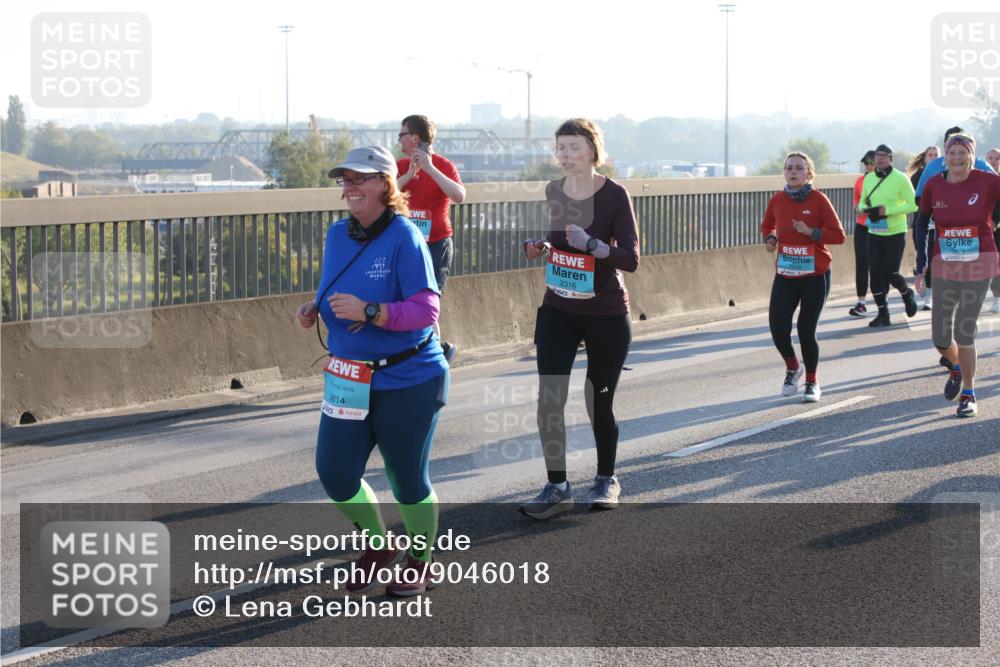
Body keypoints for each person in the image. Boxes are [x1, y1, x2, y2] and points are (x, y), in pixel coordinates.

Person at [295, 146, 449, 595]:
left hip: (409, 377)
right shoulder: (338, 234)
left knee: (406, 480)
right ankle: (379, 546)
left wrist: (374, 311)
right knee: (335, 473)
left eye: (359, 178)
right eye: (344, 180)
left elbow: (427, 308)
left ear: (385, 182)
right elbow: (333, 288)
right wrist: (314, 307)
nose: (350, 188)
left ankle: (421, 560)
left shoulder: (405, 236)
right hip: (348, 375)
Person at [518, 118, 639, 519]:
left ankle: (606, 479)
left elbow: (631, 259)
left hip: (605, 312)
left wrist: (594, 246)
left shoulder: (616, 195)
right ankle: (557, 486)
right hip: (558, 308)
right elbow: (559, 240)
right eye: (560, 148)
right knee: (548, 399)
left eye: (573, 147)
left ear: (592, 150)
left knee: (597, 400)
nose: (565, 155)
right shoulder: (554, 189)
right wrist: (541, 246)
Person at [914, 132, 1000, 417]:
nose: (958, 157)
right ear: (945, 157)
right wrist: (921, 259)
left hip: (981, 261)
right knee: (940, 335)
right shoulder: (934, 185)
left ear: (972, 156)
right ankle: (956, 365)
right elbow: (921, 219)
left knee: (965, 329)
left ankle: (969, 393)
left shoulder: (989, 182)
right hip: (946, 264)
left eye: (963, 152)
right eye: (953, 152)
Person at [762, 152, 846, 402]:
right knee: (778, 328)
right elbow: (768, 225)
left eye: (799, 168)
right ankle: (792, 367)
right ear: (784, 172)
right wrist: (770, 239)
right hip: (786, 274)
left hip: (815, 274)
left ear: (809, 173)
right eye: (789, 168)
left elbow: (839, 235)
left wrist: (812, 232)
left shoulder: (819, 200)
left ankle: (811, 381)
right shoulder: (777, 200)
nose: (793, 172)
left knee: (806, 331)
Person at [397, 115, 466, 363]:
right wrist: (407, 177)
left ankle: (435, 353)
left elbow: (459, 195)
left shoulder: (443, 164)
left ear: (415, 138)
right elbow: (384, 195)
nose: (399, 140)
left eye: (402, 135)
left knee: (428, 300)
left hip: (436, 243)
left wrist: (430, 169)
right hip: (407, 246)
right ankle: (436, 349)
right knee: (406, 299)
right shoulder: (401, 164)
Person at [857, 144, 919, 327]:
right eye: (877, 156)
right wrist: (862, 209)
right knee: (874, 273)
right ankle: (883, 314)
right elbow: (861, 201)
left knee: (891, 272)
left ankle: (907, 294)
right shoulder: (868, 179)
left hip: (895, 232)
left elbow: (913, 205)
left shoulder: (901, 178)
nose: (880, 159)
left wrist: (888, 211)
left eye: (884, 156)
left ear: (890, 158)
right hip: (875, 231)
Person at [908, 145, 941, 309]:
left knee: (933, 258)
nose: (934, 158)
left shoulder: (947, 175)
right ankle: (924, 281)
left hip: (940, 223)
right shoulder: (917, 177)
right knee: (923, 256)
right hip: (922, 222)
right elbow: (914, 199)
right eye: (930, 155)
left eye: (937, 155)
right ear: (924, 158)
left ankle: (930, 295)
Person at [849, 151, 876, 317]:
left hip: (880, 228)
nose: (868, 166)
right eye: (866, 163)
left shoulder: (884, 181)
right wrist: (857, 207)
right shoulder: (860, 181)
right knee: (861, 265)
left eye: (871, 162)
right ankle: (861, 302)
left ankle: (882, 301)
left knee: (877, 266)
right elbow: (856, 200)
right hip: (862, 226)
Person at [988, 148, 1000, 314]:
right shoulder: (976, 179)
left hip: (996, 228)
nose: (993, 161)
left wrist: (995, 221)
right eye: (990, 158)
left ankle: (997, 299)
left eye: (997, 158)